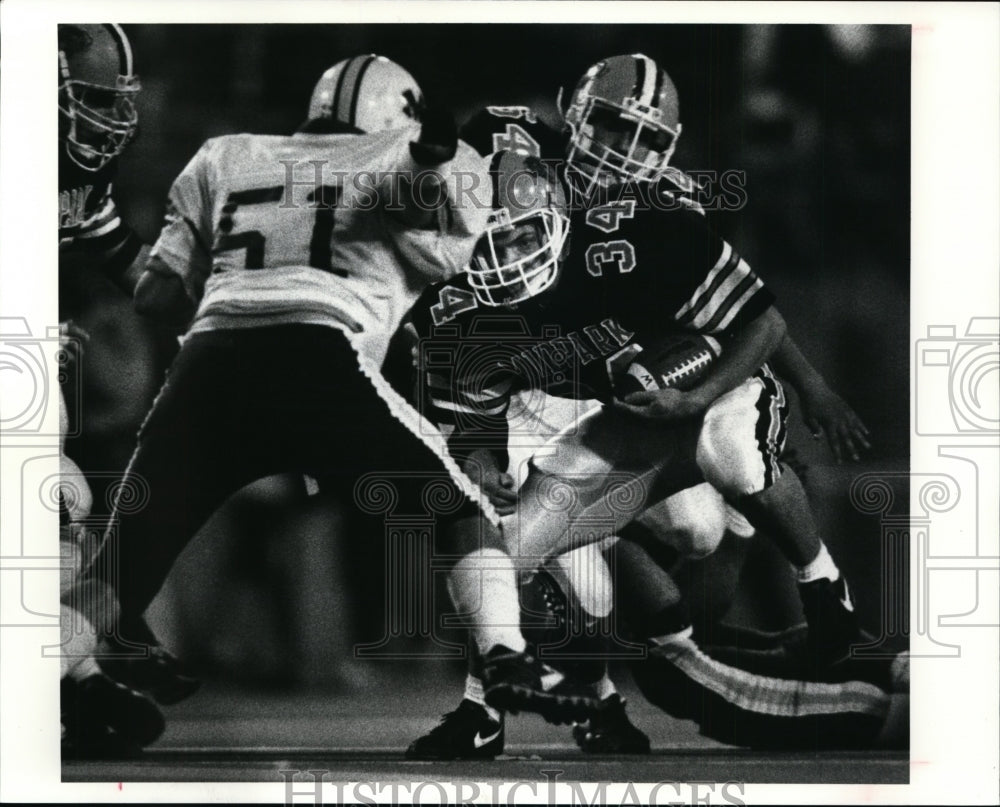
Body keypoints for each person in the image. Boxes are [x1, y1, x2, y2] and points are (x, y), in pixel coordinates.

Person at [60, 54, 601, 756]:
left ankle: (37, 672)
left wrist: (122, 241)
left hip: (208, 366)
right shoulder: (414, 149)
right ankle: (504, 651)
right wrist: (434, 162)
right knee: (459, 508)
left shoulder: (225, 153)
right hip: (319, 357)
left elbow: (160, 295)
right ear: (399, 113)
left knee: (118, 572)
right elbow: (435, 217)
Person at [405, 53, 870, 759]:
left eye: (643, 140)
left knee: (698, 540)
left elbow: (754, 313)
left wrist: (804, 386)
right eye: (612, 128)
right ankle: (543, 705)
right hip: (538, 394)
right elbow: (438, 169)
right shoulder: (507, 166)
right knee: (510, 543)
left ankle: (826, 645)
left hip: (627, 400)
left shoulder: (659, 218)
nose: (622, 154)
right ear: (571, 114)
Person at [57, 23, 201, 759]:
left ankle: (77, 674)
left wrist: (222, 309)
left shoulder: (73, 182)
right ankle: (77, 672)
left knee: (66, 503)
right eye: (87, 97)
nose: (107, 116)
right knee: (55, 500)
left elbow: (131, 269)